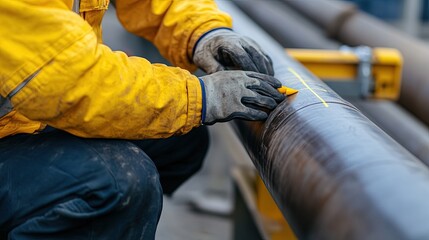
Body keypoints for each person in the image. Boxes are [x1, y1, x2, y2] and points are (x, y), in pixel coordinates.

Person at [0, 0, 286, 239]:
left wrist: (204, 32)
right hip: (38, 104)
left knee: (181, 139)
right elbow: (67, 82)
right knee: (118, 185)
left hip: (24, 117)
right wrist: (200, 96)